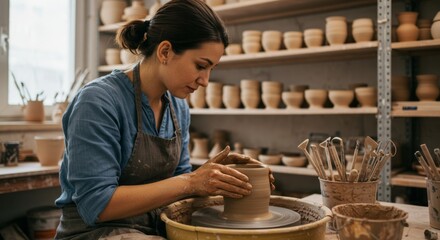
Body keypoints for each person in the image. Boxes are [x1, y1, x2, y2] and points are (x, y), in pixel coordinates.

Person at [55, 0, 275, 239]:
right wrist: (192, 181)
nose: (205, 81)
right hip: (94, 233)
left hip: (155, 228)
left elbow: (180, 190)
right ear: (165, 51)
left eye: (212, 69)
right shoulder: (98, 101)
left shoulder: (178, 107)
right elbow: (96, 205)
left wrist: (225, 180)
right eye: (201, 66)